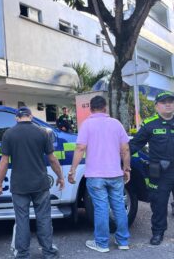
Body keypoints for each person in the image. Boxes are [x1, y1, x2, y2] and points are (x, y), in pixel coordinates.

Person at [0, 107, 64, 259]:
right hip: (40, 184)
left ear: (17, 118)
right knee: (44, 218)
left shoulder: (9, 134)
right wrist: (61, 176)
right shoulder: (42, 132)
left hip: (19, 186)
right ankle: (48, 252)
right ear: (31, 116)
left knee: (22, 220)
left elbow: (4, 161)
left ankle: (23, 254)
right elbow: (52, 158)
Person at [68, 96, 131, 252]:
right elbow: (125, 149)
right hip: (115, 174)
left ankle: (102, 243)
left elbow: (80, 148)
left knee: (101, 208)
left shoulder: (87, 125)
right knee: (119, 207)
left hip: (95, 176)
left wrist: (73, 170)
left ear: (91, 109)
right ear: (105, 108)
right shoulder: (116, 124)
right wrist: (127, 168)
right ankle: (123, 241)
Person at [129, 91, 174, 245]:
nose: (168, 104)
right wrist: (119, 158)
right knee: (159, 203)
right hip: (159, 170)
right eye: (163, 102)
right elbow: (134, 144)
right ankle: (158, 232)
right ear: (156, 106)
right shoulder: (150, 124)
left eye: (170, 101)